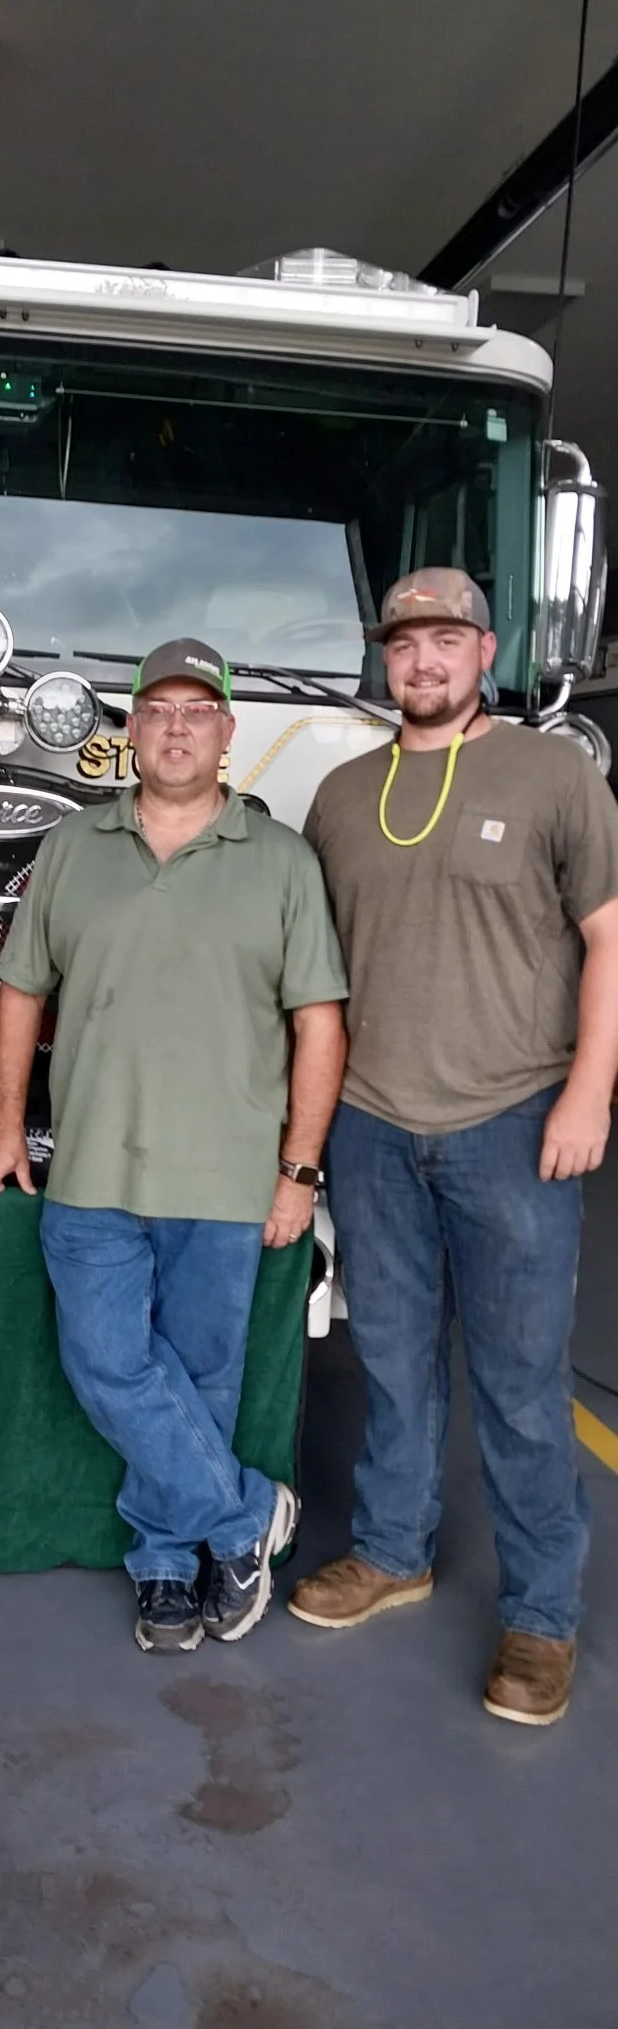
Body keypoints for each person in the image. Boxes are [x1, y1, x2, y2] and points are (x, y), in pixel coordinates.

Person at [0, 638, 348, 1653]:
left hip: (226, 1178)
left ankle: (169, 1567)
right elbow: (22, 992)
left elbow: (320, 1025)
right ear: (129, 730)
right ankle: (245, 1515)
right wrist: (8, 1122)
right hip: (91, 1164)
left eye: (198, 711)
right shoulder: (72, 846)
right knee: (104, 1358)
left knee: (201, 1377)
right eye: (158, 710)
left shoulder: (282, 862)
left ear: (228, 731)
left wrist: (299, 1171)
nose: (177, 727)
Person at [291, 568, 618, 1727]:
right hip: (374, 1129)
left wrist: (590, 1092)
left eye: (445, 639)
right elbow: (313, 978)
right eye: (404, 643)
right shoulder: (339, 796)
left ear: (486, 651)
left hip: (515, 1122)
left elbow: (609, 938)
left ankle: (541, 1620)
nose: (423, 660)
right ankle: (392, 1552)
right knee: (391, 1361)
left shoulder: (555, 774)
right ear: (385, 659)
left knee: (523, 1389)